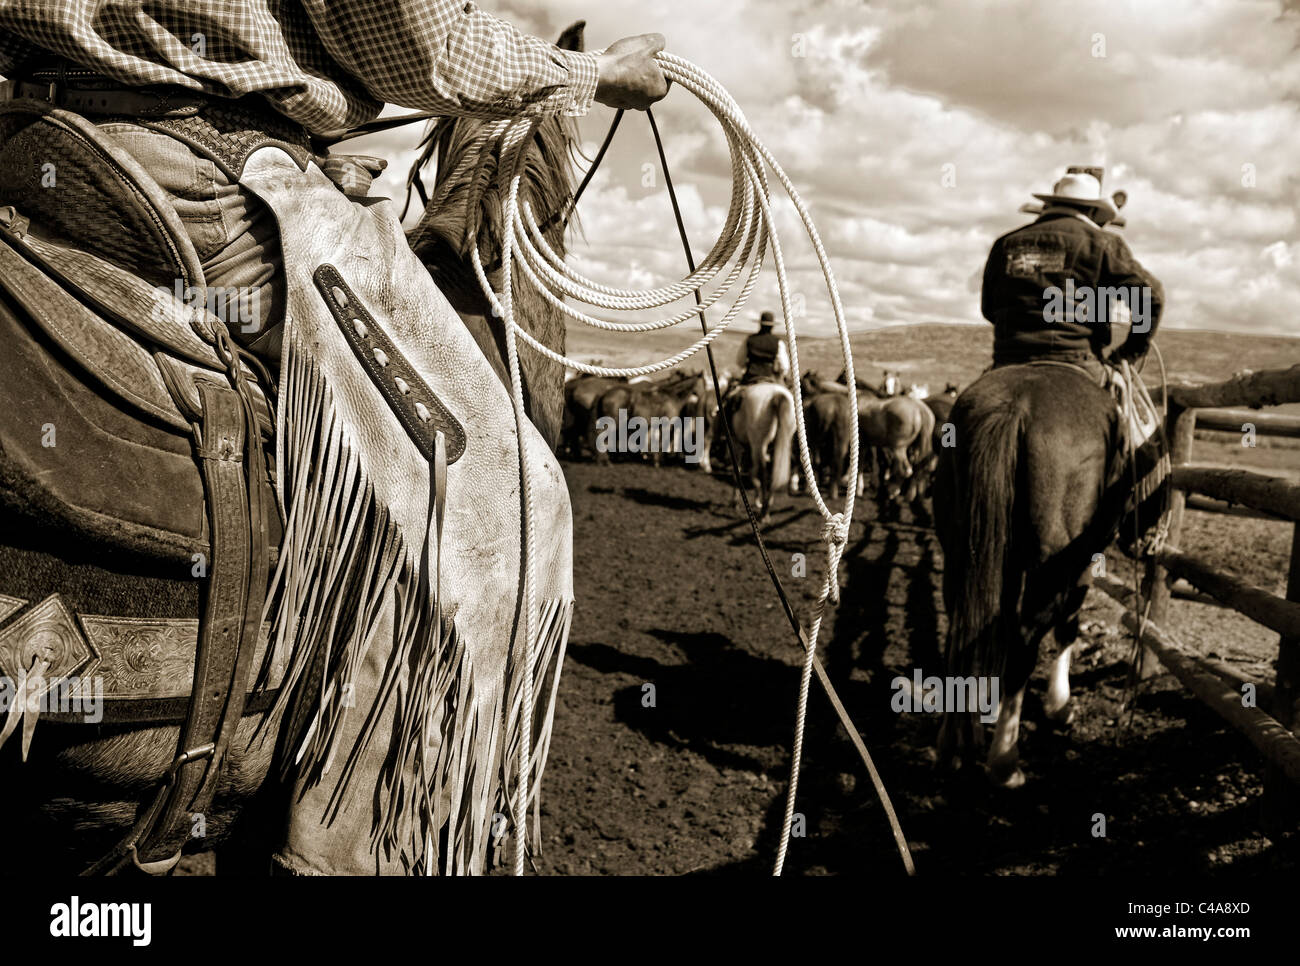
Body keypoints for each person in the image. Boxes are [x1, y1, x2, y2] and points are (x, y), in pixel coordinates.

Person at [0, 2, 670, 352]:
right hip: (195, 174)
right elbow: (429, 50)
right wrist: (598, 75)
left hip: (25, 139)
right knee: (488, 461)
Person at [981, 169, 1163, 384]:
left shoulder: (1005, 243)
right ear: (1093, 211)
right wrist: (1127, 354)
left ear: (1049, 206)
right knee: (1129, 410)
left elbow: (989, 309)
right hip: (1077, 359)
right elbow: (1150, 298)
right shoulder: (1103, 243)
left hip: (1008, 358)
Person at [735, 310, 790, 386]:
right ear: (772, 326)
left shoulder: (750, 339)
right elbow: (784, 366)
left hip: (750, 377)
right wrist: (780, 374)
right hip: (770, 376)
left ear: (760, 325)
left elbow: (740, 361)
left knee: (732, 395)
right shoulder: (778, 342)